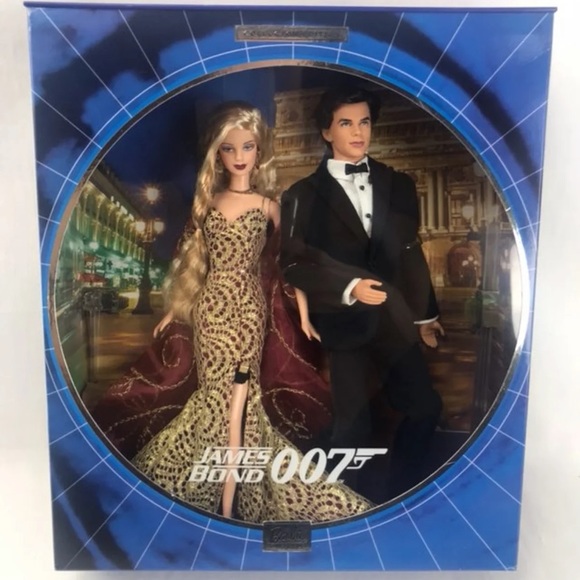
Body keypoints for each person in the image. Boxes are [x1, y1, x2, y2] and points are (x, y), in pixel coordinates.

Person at [131, 101, 370, 522]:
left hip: (246, 313)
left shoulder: (268, 206)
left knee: (241, 398)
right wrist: (174, 310)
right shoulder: (207, 203)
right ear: (218, 155)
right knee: (214, 396)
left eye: (247, 147)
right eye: (229, 148)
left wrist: (305, 315)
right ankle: (220, 495)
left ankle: (228, 503)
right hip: (210, 313)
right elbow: (194, 266)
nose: (239, 156)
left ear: (260, 152)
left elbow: (291, 265)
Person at [280, 86, 444, 499]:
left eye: (364, 122)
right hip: (343, 323)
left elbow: (410, 252)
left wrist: (426, 317)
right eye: (346, 123)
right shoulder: (300, 195)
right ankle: (341, 509)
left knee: (425, 408)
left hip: (395, 318)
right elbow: (293, 265)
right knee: (352, 428)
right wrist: (349, 286)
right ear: (326, 131)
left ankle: (401, 495)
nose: (358, 132)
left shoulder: (399, 184)